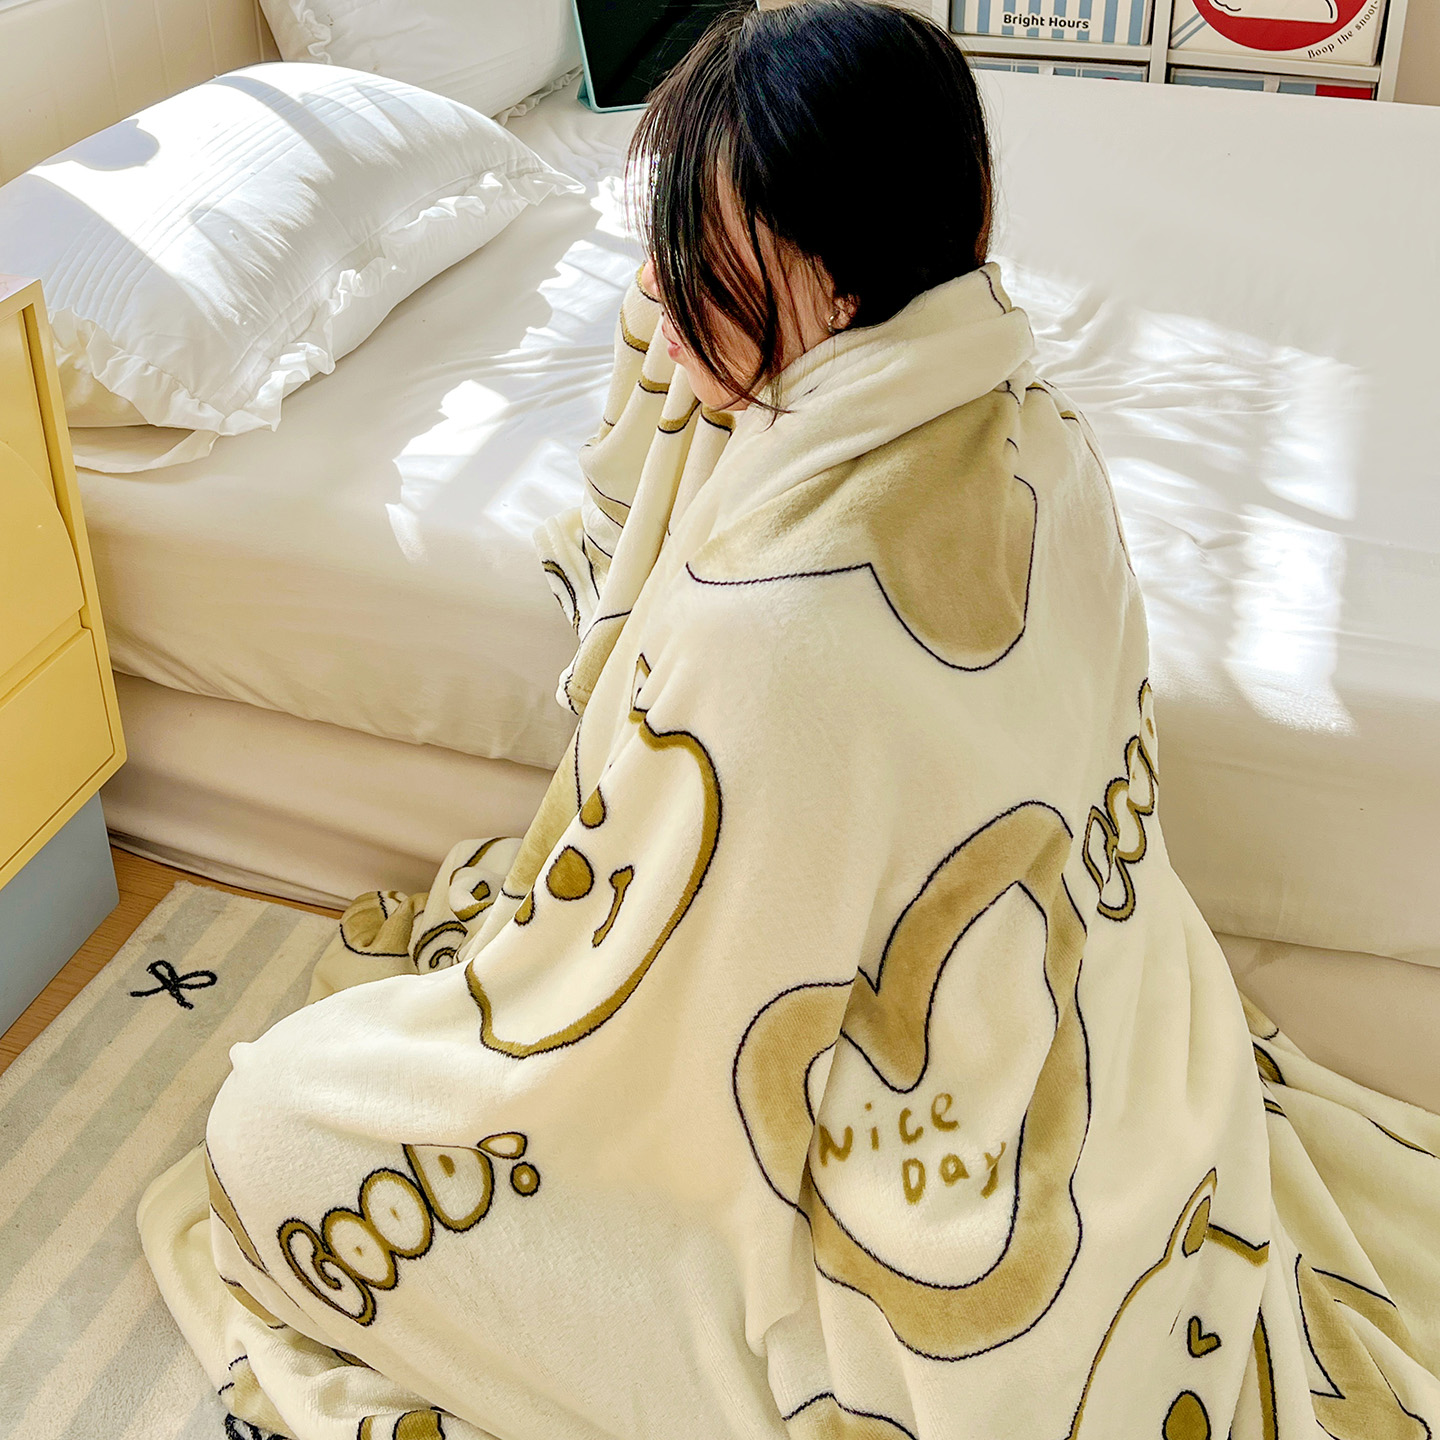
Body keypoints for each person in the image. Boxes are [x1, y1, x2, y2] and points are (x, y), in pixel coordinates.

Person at [140, 4, 1440, 1438]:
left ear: (829, 278)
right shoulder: (1037, 431)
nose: (653, 291)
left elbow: (660, 1043)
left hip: (900, 1220)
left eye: (696, 262)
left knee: (268, 1131)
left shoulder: (782, 622)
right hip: (1090, 1039)